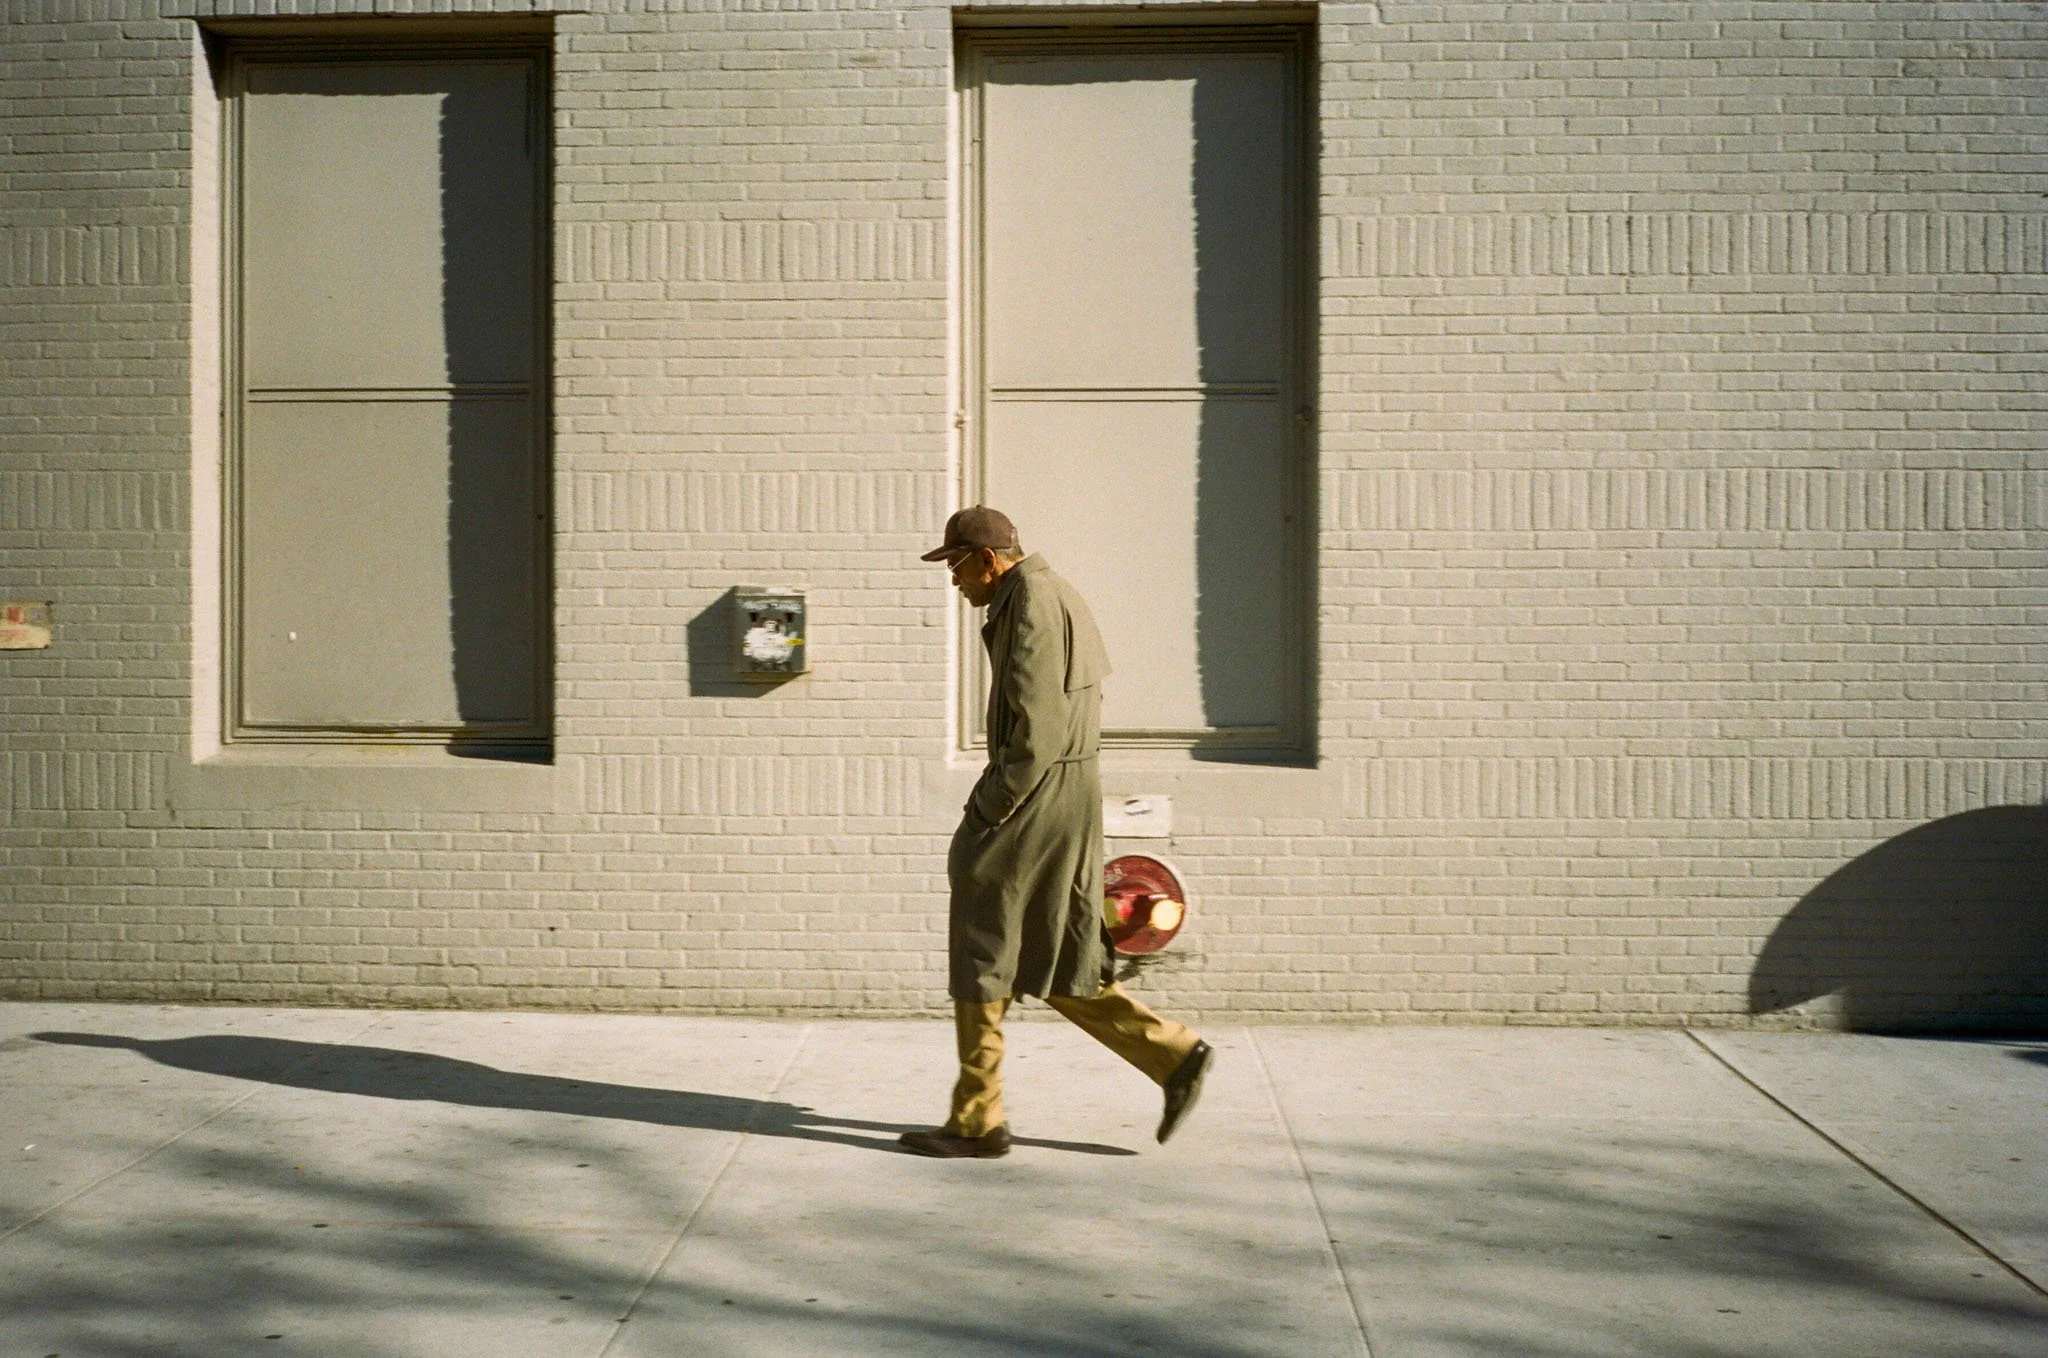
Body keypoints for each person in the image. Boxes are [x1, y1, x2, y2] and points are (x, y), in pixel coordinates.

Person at [899, 506, 1213, 1159]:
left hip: (1033, 796)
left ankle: (978, 1121)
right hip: (1064, 793)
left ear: (988, 560)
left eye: (956, 565)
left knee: (983, 941)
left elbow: (1037, 731)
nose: (954, 580)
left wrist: (991, 807)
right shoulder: (1054, 591)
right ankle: (1172, 1054)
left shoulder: (1030, 604)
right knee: (1048, 947)